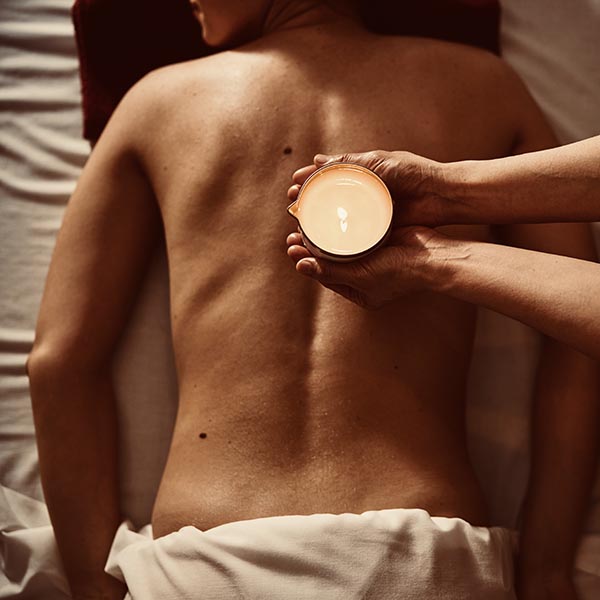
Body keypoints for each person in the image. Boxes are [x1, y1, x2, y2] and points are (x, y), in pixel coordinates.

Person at [26, 1, 598, 598]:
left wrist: (91, 580)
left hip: (206, 557)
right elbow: (576, 329)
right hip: (422, 556)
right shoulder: (484, 84)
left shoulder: (155, 101)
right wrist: (546, 565)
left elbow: (59, 361)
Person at [286, 138, 600, 359]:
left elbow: (570, 350)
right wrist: (440, 189)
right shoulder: (491, 86)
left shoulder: (493, 88)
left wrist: (430, 260)